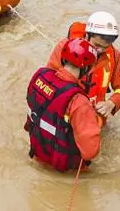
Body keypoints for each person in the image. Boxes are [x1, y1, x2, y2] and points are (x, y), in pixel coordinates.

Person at [24, 38, 102, 172]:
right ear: (86, 68)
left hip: (38, 154)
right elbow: (90, 151)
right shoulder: (78, 101)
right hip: (66, 168)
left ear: (63, 58)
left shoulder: (40, 76)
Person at [48, 12, 120, 122]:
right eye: (96, 45)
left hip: (94, 121)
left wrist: (112, 103)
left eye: (105, 47)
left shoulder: (114, 56)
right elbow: (48, 83)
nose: (100, 50)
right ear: (87, 35)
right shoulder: (66, 48)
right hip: (66, 122)